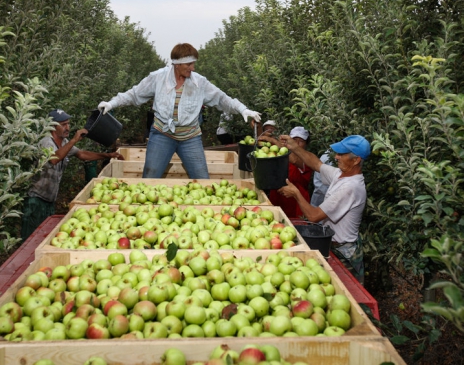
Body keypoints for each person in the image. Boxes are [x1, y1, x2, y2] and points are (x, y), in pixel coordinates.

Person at [97, 43, 261, 178]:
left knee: (202, 179)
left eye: (193, 64)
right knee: (150, 178)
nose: (193, 68)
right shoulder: (158, 78)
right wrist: (112, 103)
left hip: (190, 138)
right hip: (162, 135)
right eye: (189, 64)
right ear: (176, 64)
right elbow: (134, 94)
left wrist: (243, 110)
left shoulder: (200, 83)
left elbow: (222, 98)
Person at [263, 133, 370, 284]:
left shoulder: (351, 187)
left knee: (345, 292)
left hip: (343, 253)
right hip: (332, 245)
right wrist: (294, 147)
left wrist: (295, 193)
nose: (337, 157)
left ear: (356, 160)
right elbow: (316, 164)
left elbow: (313, 216)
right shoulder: (341, 174)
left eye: (341, 154)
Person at [21, 109, 124, 241]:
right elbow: (53, 159)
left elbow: (81, 154)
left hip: (49, 199)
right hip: (36, 199)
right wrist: (74, 140)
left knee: (44, 238)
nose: (67, 127)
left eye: (68, 124)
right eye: (63, 124)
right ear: (52, 126)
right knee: (29, 239)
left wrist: (107, 155)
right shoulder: (46, 142)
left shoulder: (64, 142)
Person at [264, 126, 313, 219]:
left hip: (296, 209)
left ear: (306, 144)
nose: (297, 144)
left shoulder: (308, 159)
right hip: (277, 204)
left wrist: (276, 143)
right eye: (294, 140)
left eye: (301, 141)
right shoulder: (278, 155)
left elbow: (294, 160)